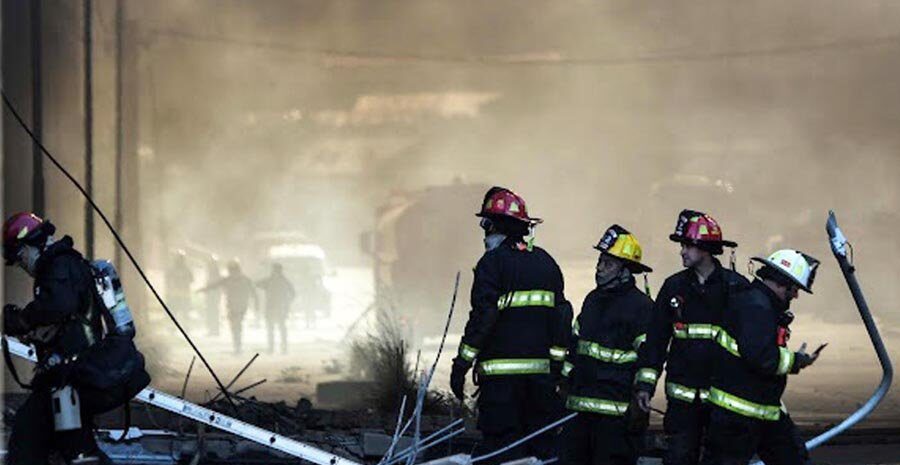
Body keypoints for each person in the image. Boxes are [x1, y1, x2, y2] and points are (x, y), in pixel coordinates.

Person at [450, 186, 573, 464]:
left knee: (501, 452)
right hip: (540, 385)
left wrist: (462, 364)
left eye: (486, 224)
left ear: (496, 226)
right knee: (540, 451)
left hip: (501, 387)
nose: (484, 232)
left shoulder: (491, 264)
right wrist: (556, 369)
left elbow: (483, 318)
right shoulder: (546, 263)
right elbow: (562, 319)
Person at [634, 210, 749, 465]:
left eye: (687, 245)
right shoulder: (673, 287)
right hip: (682, 405)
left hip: (724, 402)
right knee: (678, 459)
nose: (682, 251)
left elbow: (749, 345)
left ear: (704, 248)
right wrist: (645, 386)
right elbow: (656, 342)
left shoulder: (736, 288)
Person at [2, 212, 110, 464]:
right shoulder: (63, 266)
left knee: (29, 437)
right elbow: (63, 316)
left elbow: (58, 306)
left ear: (30, 244)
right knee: (70, 446)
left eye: (20, 257)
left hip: (69, 375)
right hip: (67, 375)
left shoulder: (59, 265)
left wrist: (22, 319)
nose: (22, 265)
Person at [703, 249, 823, 465]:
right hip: (737, 417)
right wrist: (797, 361)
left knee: (794, 458)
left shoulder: (760, 304)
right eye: (794, 289)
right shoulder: (756, 307)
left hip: (763, 410)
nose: (795, 296)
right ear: (780, 282)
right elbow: (762, 358)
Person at [561, 225, 654, 465]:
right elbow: (575, 345)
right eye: (600, 262)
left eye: (608, 264)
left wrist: (642, 390)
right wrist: (563, 381)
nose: (599, 269)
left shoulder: (641, 307)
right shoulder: (592, 300)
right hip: (579, 412)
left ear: (625, 271)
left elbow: (649, 356)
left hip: (616, 417)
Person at [199, 259, 258, 354]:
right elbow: (254, 293)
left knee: (235, 326)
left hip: (235, 307)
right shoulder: (243, 279)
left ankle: (237, 346)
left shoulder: (230, 279)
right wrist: (256, 304)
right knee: (236, 326)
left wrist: (203, 289)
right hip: (240, 306)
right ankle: (237, 346)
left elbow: (214, 285)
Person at [256, 263, 296, 354]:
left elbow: (258, 284)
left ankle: (272, 348)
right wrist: (288, 302)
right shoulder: (284, 281)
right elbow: (293, 293)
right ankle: (282, 347)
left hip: (272, 306)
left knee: (273, 328)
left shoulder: (270, 280)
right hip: (280, 307)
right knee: (280, 327)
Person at [165, 251, 194, 328]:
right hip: (182, 294)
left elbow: (167, 280)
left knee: (178, 312)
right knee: (182, 312)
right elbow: (191, 279)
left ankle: (177, 327)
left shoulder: (173, 269)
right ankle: (182, 327)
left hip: (177, 294)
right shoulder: (185, 270)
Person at [204, 256, 223, 336]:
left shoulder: (215, 275)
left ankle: (214, 330)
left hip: (213, 297)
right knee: (212, 313)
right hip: (213, 297)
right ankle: (213, 330)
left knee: (213, 313)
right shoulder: (213, 275)